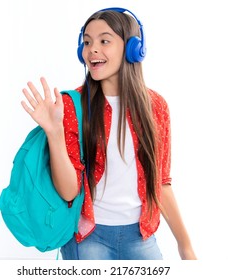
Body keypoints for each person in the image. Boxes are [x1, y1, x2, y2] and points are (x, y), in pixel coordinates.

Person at [21, 7, 196, 260]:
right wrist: (54, 132)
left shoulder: (156, 107)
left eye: (104, 41)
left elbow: (161, 183)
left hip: (141, 236)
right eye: (87, 42)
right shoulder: (73, 105)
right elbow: (69, 192)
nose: (92, 49)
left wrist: (185, 246)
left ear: (133, 48)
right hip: (89, 237)